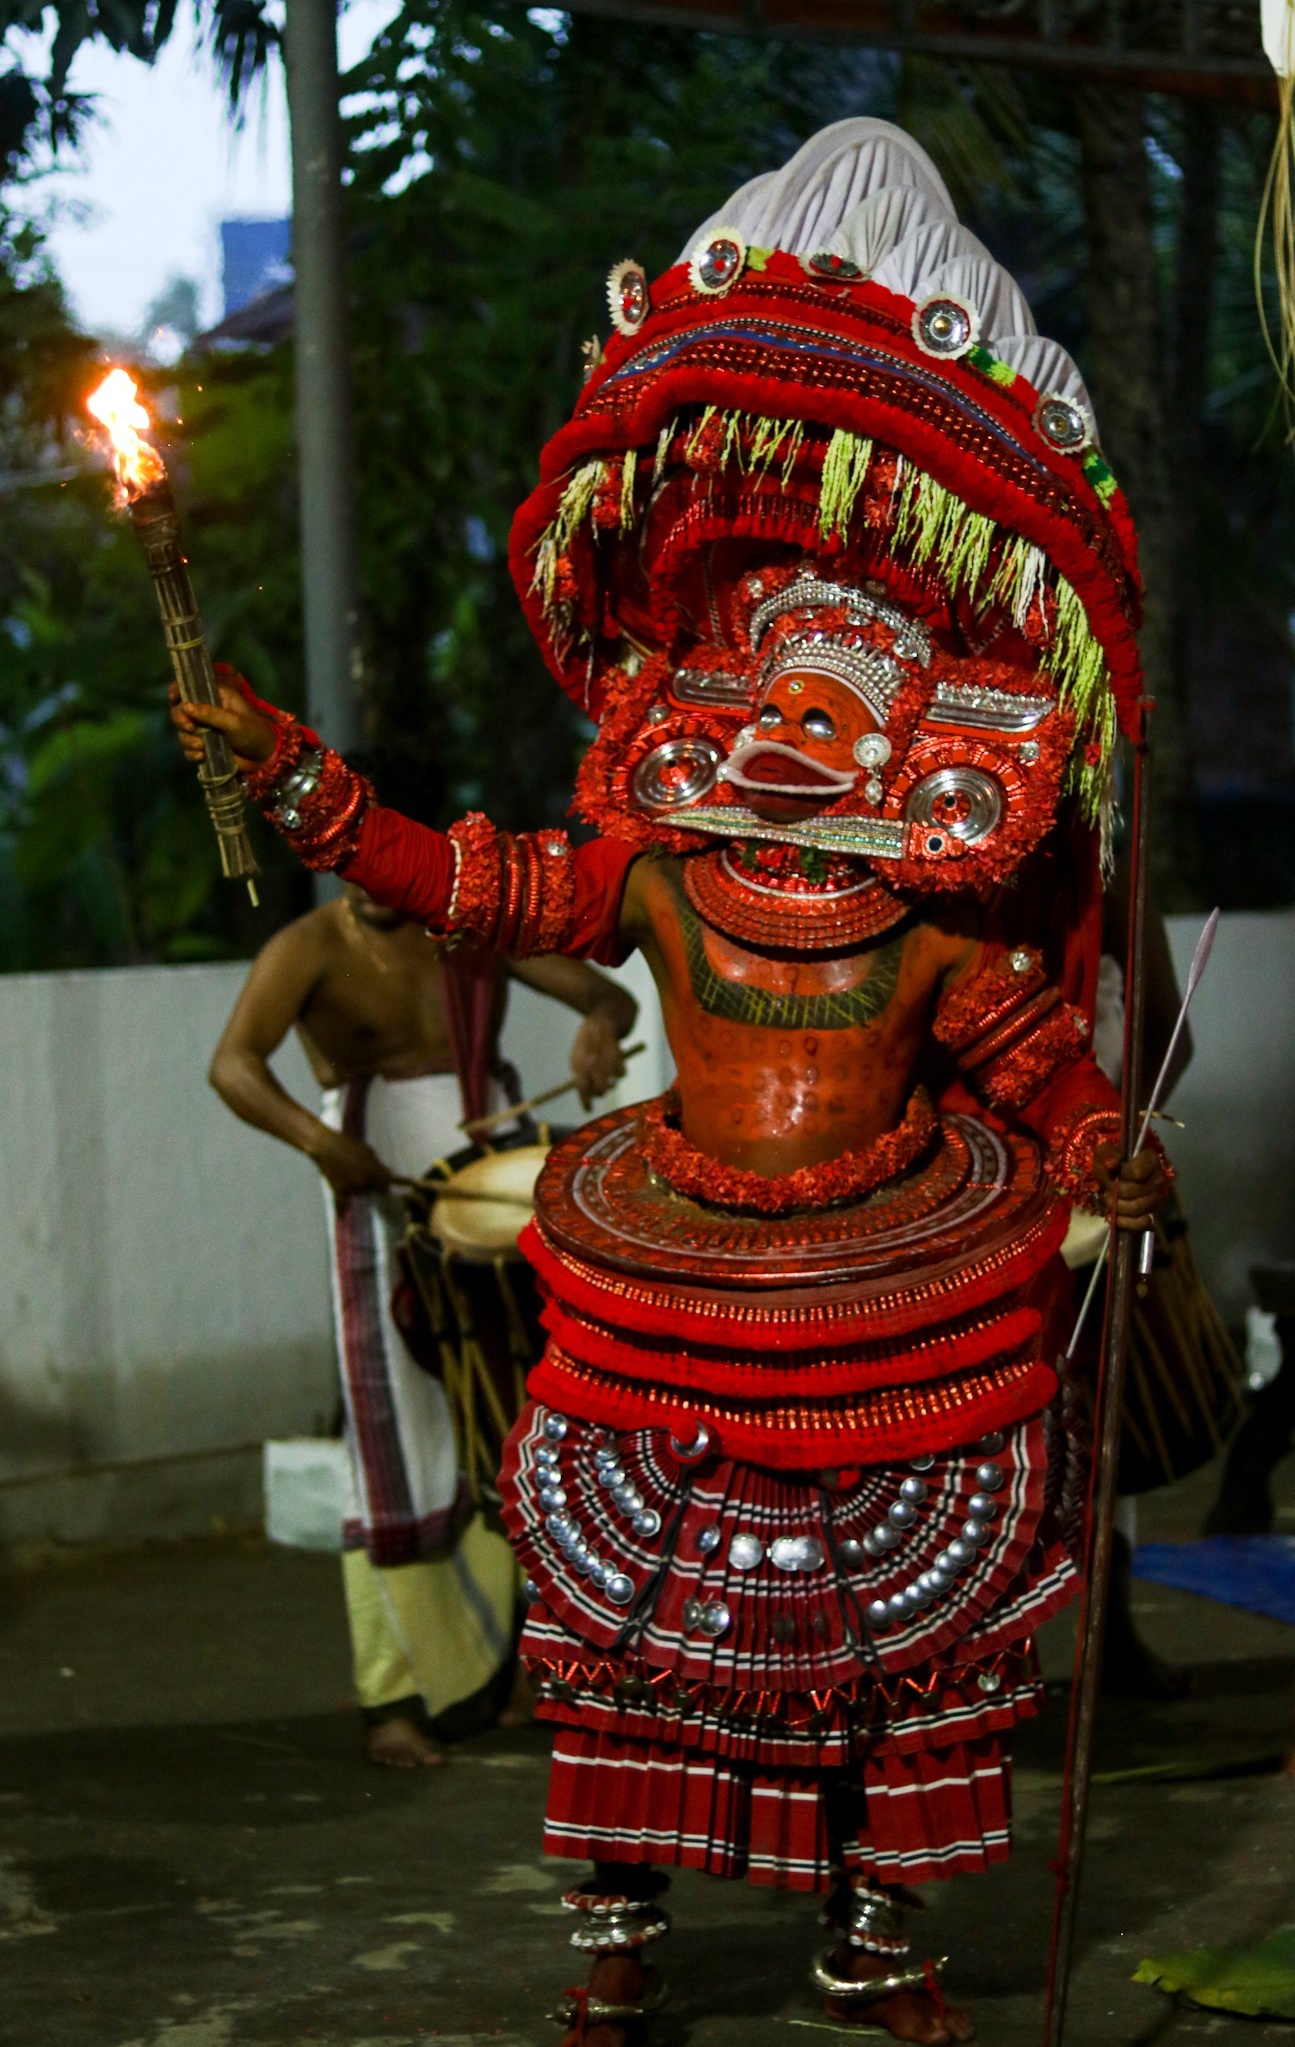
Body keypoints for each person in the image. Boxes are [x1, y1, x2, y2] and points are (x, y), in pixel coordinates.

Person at [175, 121, 1171, 2046]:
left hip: (900, 1291)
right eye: (775, 681)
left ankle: (873, 1936)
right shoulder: (655, 868)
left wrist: (1105, 1150)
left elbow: (1034, 1057)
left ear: (921, 724)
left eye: (847, 698)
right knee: (633, 1630)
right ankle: (619, 1926)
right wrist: (303, 780)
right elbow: (483, 886)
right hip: (673, 1294)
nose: (802, 732)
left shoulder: (931, 915)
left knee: (911, 1636)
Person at [210, 832, 637, 1769]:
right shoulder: (308, 947)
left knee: (514, 1415)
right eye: (343, 860)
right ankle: (392, 1694)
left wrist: (599, 1027)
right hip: (374, 1189)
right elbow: (234, 1066)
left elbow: (606, 990)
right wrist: (319, 1145)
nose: (363, 880)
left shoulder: (470, 925)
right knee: (392, 1431)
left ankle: (516, 1663)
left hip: (494, 1185)